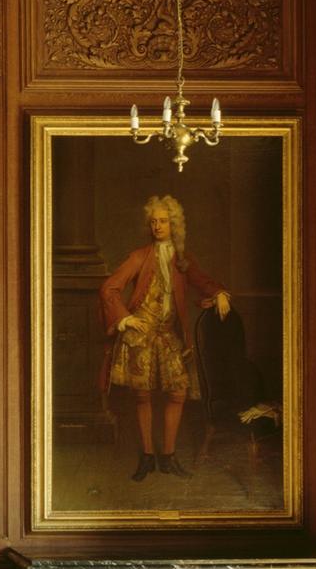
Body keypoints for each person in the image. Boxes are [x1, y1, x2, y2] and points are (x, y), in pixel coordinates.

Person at [99, 195, 231, 481]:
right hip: (140, 336)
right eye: (153, 222)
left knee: (177, 393)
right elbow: (109, 288)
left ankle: (168, 457)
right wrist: (125, 318)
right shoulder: (139, 256)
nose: (157, 226)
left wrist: (219, 293)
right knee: (143, 395)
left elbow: (202, 281)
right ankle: (147, 457)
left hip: (168, 335)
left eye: (163, 221)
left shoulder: (182, 258)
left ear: (175, 225)